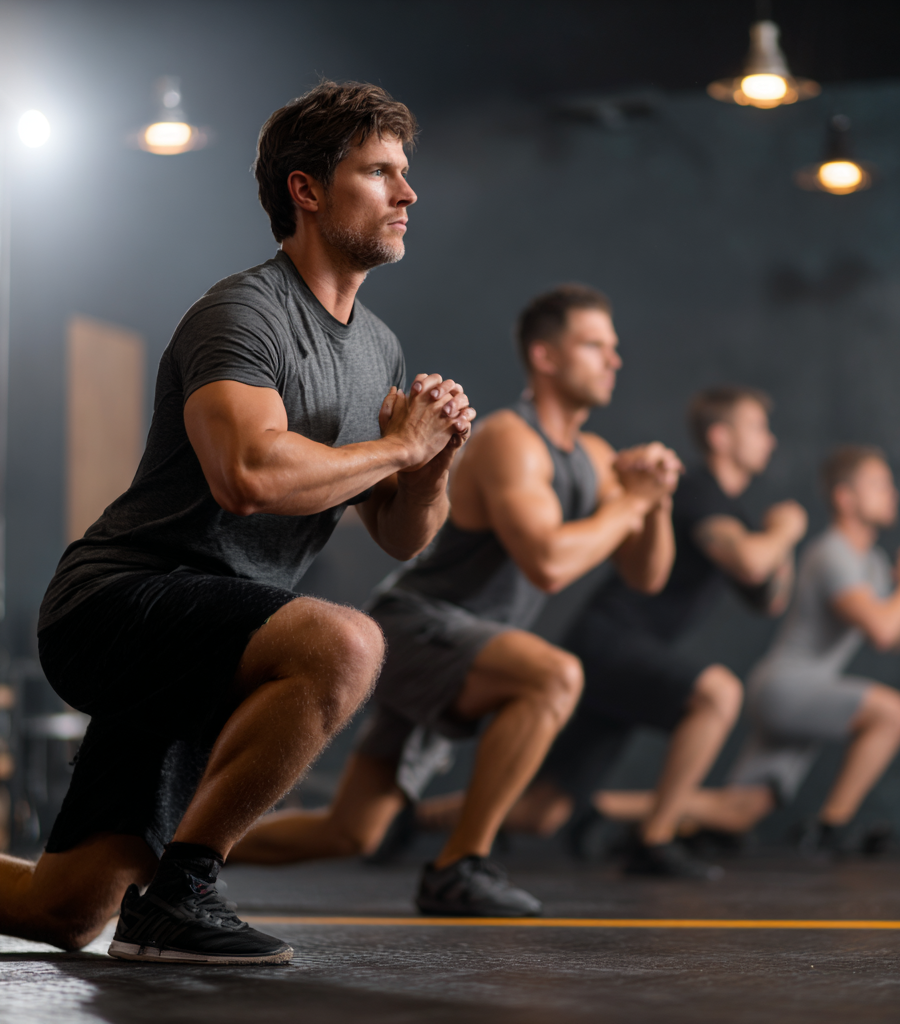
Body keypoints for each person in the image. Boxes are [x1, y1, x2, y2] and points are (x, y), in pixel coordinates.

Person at [0, 81, 476, 963]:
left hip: (221, 634)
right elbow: (249, 475)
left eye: (404, 174)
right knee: (346, 644)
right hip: (122, 601)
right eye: (379, 172)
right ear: (306, 190)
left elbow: (402, 534)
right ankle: (180, 892)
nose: (407, 194)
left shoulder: (377, 346)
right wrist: (399, 449)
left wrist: (430, 461)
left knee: (61, 911)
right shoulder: (244, 314)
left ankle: (148, 901)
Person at [230, 284, 682, 916]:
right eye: (594, 345)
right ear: (546, 357)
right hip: (421, 625)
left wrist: (652, 499)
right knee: (553, 678)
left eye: (613, 347)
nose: (614, 359)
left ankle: (175, 852)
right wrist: (630, 505)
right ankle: (459, 866)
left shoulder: (597, 459)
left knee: (352, 831)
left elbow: (645, 576)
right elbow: (549, 562)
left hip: (470, 643)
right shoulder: (510, 442)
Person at [412, 385, 806, 877]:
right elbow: (749, 563)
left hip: (629, 657)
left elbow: (769, 599)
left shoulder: (733, 511)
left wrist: (779, 541)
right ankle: (653, 839)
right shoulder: (698, 491)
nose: (769, 440)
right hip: (610, 643)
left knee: (544, 812)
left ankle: (413, 820)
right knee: (717, 695)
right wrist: (787, 531)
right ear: (721, 437)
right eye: (758, 428)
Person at [692, 445, 900, 854]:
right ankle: (832, 827)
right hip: (786, 689)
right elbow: (881, 629)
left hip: (800, 691)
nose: (891, 493)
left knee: (743, 809)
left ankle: (609, 813)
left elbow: (897, 638)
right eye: (878, 485)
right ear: (844, 498)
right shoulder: (831, 554)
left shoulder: (873, 563)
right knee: (892, 714)